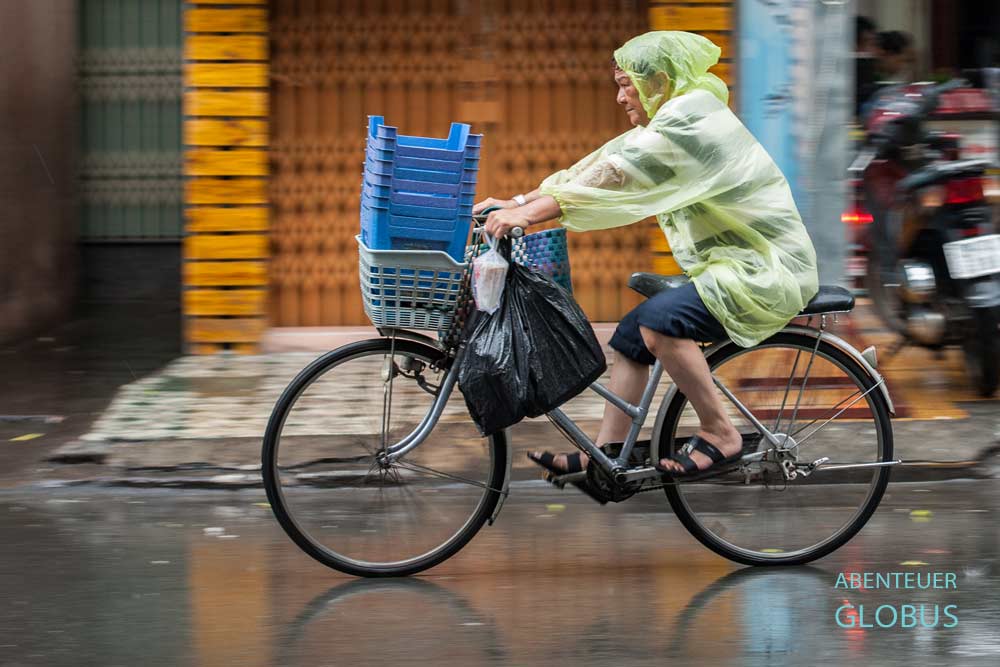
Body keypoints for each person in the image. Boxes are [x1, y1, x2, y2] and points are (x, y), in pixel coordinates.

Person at [472, 31, 818, 481]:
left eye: (625, 84)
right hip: (729, 267)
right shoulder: (672, 118)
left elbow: (620, 171)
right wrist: (517, 200)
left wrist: (529, 215)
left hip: (765, 269)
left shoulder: (694, 120)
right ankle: (609, 454)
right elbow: (596, 164)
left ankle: (720, 433)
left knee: (660, 323)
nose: (619, 97)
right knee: (632, 337)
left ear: (658, 79)